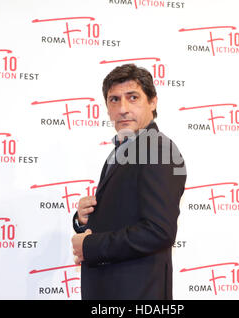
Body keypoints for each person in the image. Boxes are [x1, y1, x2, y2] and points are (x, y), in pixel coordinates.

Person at [71, 64, 187, 300]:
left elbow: (159, 231)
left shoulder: (157, 149)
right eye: (114, 100)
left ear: (152, 102)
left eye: (132, 98)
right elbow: (125, 215)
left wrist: (90, 246)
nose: (122, 109)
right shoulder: (126, 149)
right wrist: (85, 219)